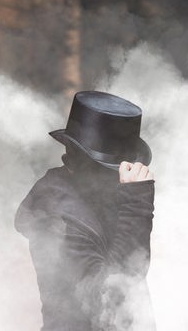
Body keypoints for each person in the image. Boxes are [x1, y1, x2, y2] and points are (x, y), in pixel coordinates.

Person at [15, 90, 156, 331]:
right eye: (112, 168)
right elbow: (112, 299)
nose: (121, 175)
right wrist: (136, 204)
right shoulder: (59, 218)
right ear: (86, 163)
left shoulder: (93, 196)